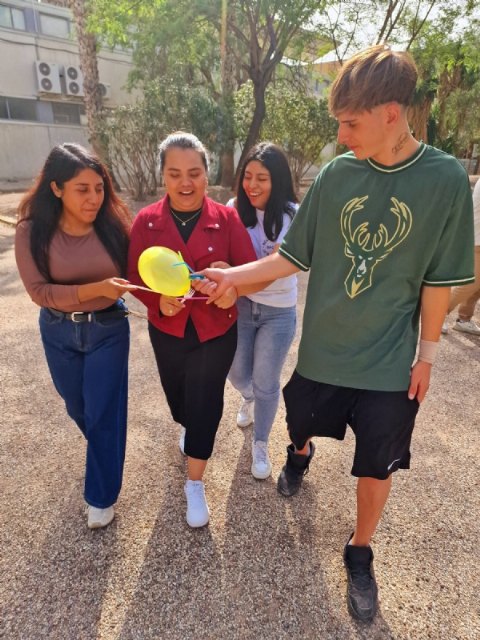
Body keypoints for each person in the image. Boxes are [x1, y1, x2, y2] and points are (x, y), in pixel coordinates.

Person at [193, 45, 474, 621]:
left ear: (391, 114)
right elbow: (290, 258)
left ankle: (360, 549)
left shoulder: (445, 179)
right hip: (322, 352)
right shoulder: (337, 175)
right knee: (299, 422)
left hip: (391, 364)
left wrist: (426, 356)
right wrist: (234, 279)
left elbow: (437, 282)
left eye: (351, 123)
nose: (342, 136)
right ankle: (299, 454)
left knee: (377, 461)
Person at [127, 131, 257, 528]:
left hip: (216, 329)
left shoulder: (227, 218)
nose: (186, 183)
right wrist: (157, 301)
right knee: (179, 399)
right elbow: (133, 274)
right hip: (167, 329)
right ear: (163, 177)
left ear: (207, 174)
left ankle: (195, 482)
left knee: (205, 401)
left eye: (195, 173)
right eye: (175, 174)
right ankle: (188, 424)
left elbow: (251, 272)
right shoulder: (147, 221)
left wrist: (232, 289)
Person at [15, 143, 135, 529]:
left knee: (102, 414)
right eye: (82, 189)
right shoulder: (31, 232)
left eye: (99, 188)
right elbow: (40, 293)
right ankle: (106, 450)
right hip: (57, 331)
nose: (94, 198)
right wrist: (96, 287)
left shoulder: (115, 226)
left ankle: (100, 497)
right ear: (56, 189)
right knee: (78, 408)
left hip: (108, 330)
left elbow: (144, 269)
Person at [226, 143, 298, 480]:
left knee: (267, 380)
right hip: (239, 306)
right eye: (248, 177)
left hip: (278, 312)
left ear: (278, 181)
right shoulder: (231, 210)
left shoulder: (292, 215)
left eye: (262, 179)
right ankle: (251, 397)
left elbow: (276, 267)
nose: (252, 185)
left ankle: (261, 441)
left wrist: (229, 278)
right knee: (238, 373)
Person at [442, 178, 480, 335]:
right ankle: (437, 315)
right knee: (470, 283)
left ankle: (464, 319)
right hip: (478, 239)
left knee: (477, 286)